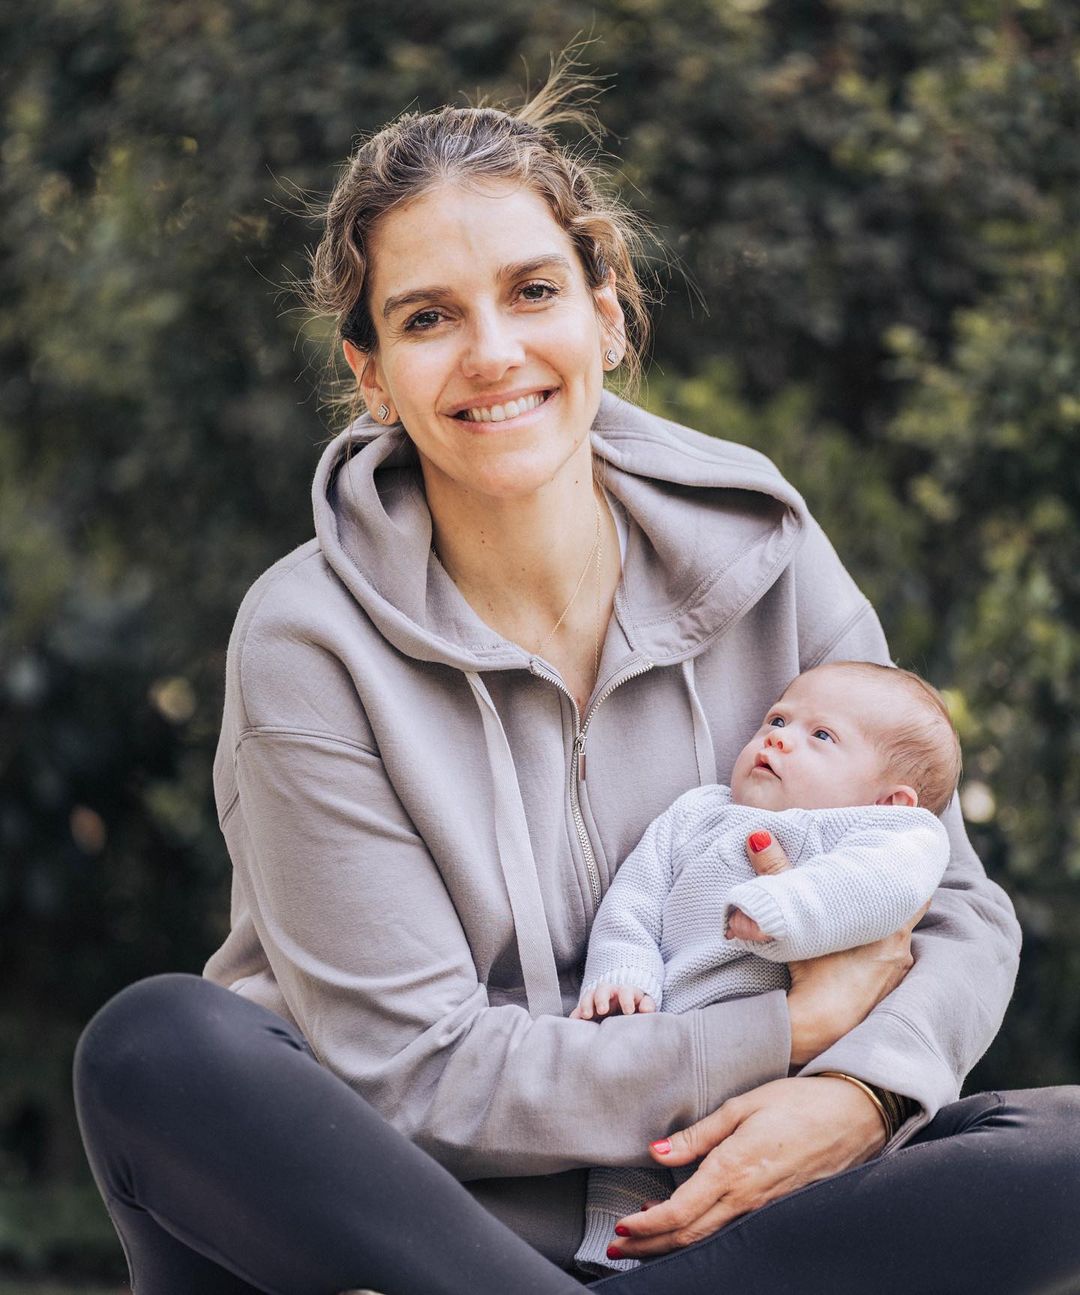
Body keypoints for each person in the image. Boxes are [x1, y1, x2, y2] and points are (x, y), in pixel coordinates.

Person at [71, 66, 1080, 1295]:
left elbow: (957, 907)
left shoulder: (761, 545)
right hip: (418, 1232)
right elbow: (416, 1074)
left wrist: (861, 1092)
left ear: (607, 313)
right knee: (159, 1046)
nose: (493, 354)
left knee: (1062, 1147)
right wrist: (789, 1031)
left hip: (715, 1216)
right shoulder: (307, 636)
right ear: (372, 371)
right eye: (429, 317)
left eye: (532, 291)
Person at [571, 659, 958, 1273]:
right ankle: (614, 1261)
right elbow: (635, 898)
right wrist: (622, 969)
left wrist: (782, 908)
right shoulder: (696, 813)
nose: (778, 736)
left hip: (786, 1080)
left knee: (771, 1210)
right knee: (636, 1164)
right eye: (777, 719)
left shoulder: (885, 832)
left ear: (892, 799)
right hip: (669, 1050)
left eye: (821, 736)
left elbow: (881, 885)